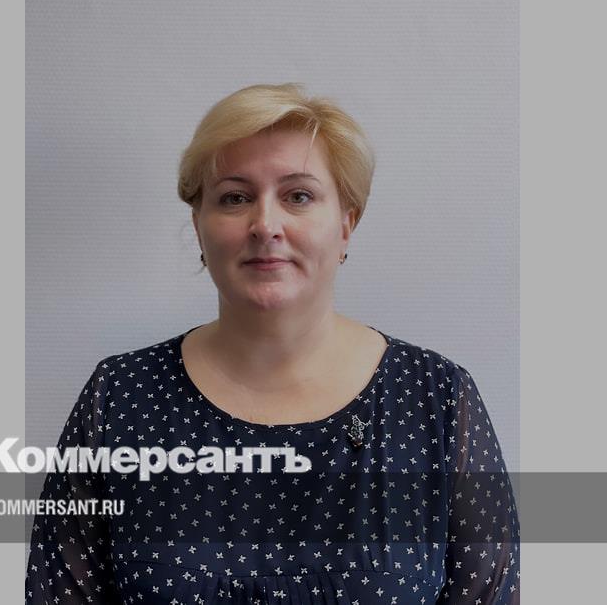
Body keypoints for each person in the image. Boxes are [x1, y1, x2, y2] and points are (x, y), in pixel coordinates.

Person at [26, 83, 520, 604]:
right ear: (199, 225)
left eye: (298, 196)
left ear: (347, 223)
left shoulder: (434, 400)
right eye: (235, 197)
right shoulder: (120, 398)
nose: (265, 225)